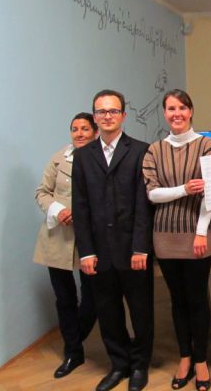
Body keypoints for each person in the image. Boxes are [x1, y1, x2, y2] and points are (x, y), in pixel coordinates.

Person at [72, 89, 154, 391]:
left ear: (123, 115)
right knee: (108, 311)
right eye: (101, 111)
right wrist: (86, 252)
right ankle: (119, 364)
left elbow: (144, 204)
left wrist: (141, 247)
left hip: (134, 250)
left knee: (141, 311)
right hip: (99, 251)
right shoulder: (83, 156)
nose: (107, 116)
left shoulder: (141, 150)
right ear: (95, 116)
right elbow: (80, 206)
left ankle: (140, 365)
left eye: (113, 111)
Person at [142, 89, 211, 391]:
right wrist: (185, 189)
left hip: (197, 235)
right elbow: (152, 194)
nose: (177, 114)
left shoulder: (206, 145)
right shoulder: (154, 150)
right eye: (171, 109)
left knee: (197, 299)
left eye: (182, 108)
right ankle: (185, 356)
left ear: (191, 111)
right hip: (165, 235)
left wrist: (201, 231)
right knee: (177, 300)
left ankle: (201, 360)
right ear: (165, 113)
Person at [33, 112, 98, 379]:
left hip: (91, 239)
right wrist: (58, 210)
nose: (79, 133)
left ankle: (74, 337)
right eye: (75, 129)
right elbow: (42, 192)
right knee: (64, 297)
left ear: (95, 132)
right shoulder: (59, 158)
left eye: (85, 129)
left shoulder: (101, 159)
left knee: (93, 297)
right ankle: (73, 351)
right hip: (58, 238)